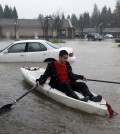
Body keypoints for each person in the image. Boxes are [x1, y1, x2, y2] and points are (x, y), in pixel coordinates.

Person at [36, 50, 102, 102]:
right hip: (59, 84)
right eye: (64, 58)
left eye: (67, 58)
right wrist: (39, 81)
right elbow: (45, 76)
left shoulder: (67, 64)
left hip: (69, 83)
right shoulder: (51, 65)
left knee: (82, 84)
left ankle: (92, 97)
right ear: (59, 57)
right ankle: (78, 99)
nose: (66, 60)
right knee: (65, 85)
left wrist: (81, 77)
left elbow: (72, 75)